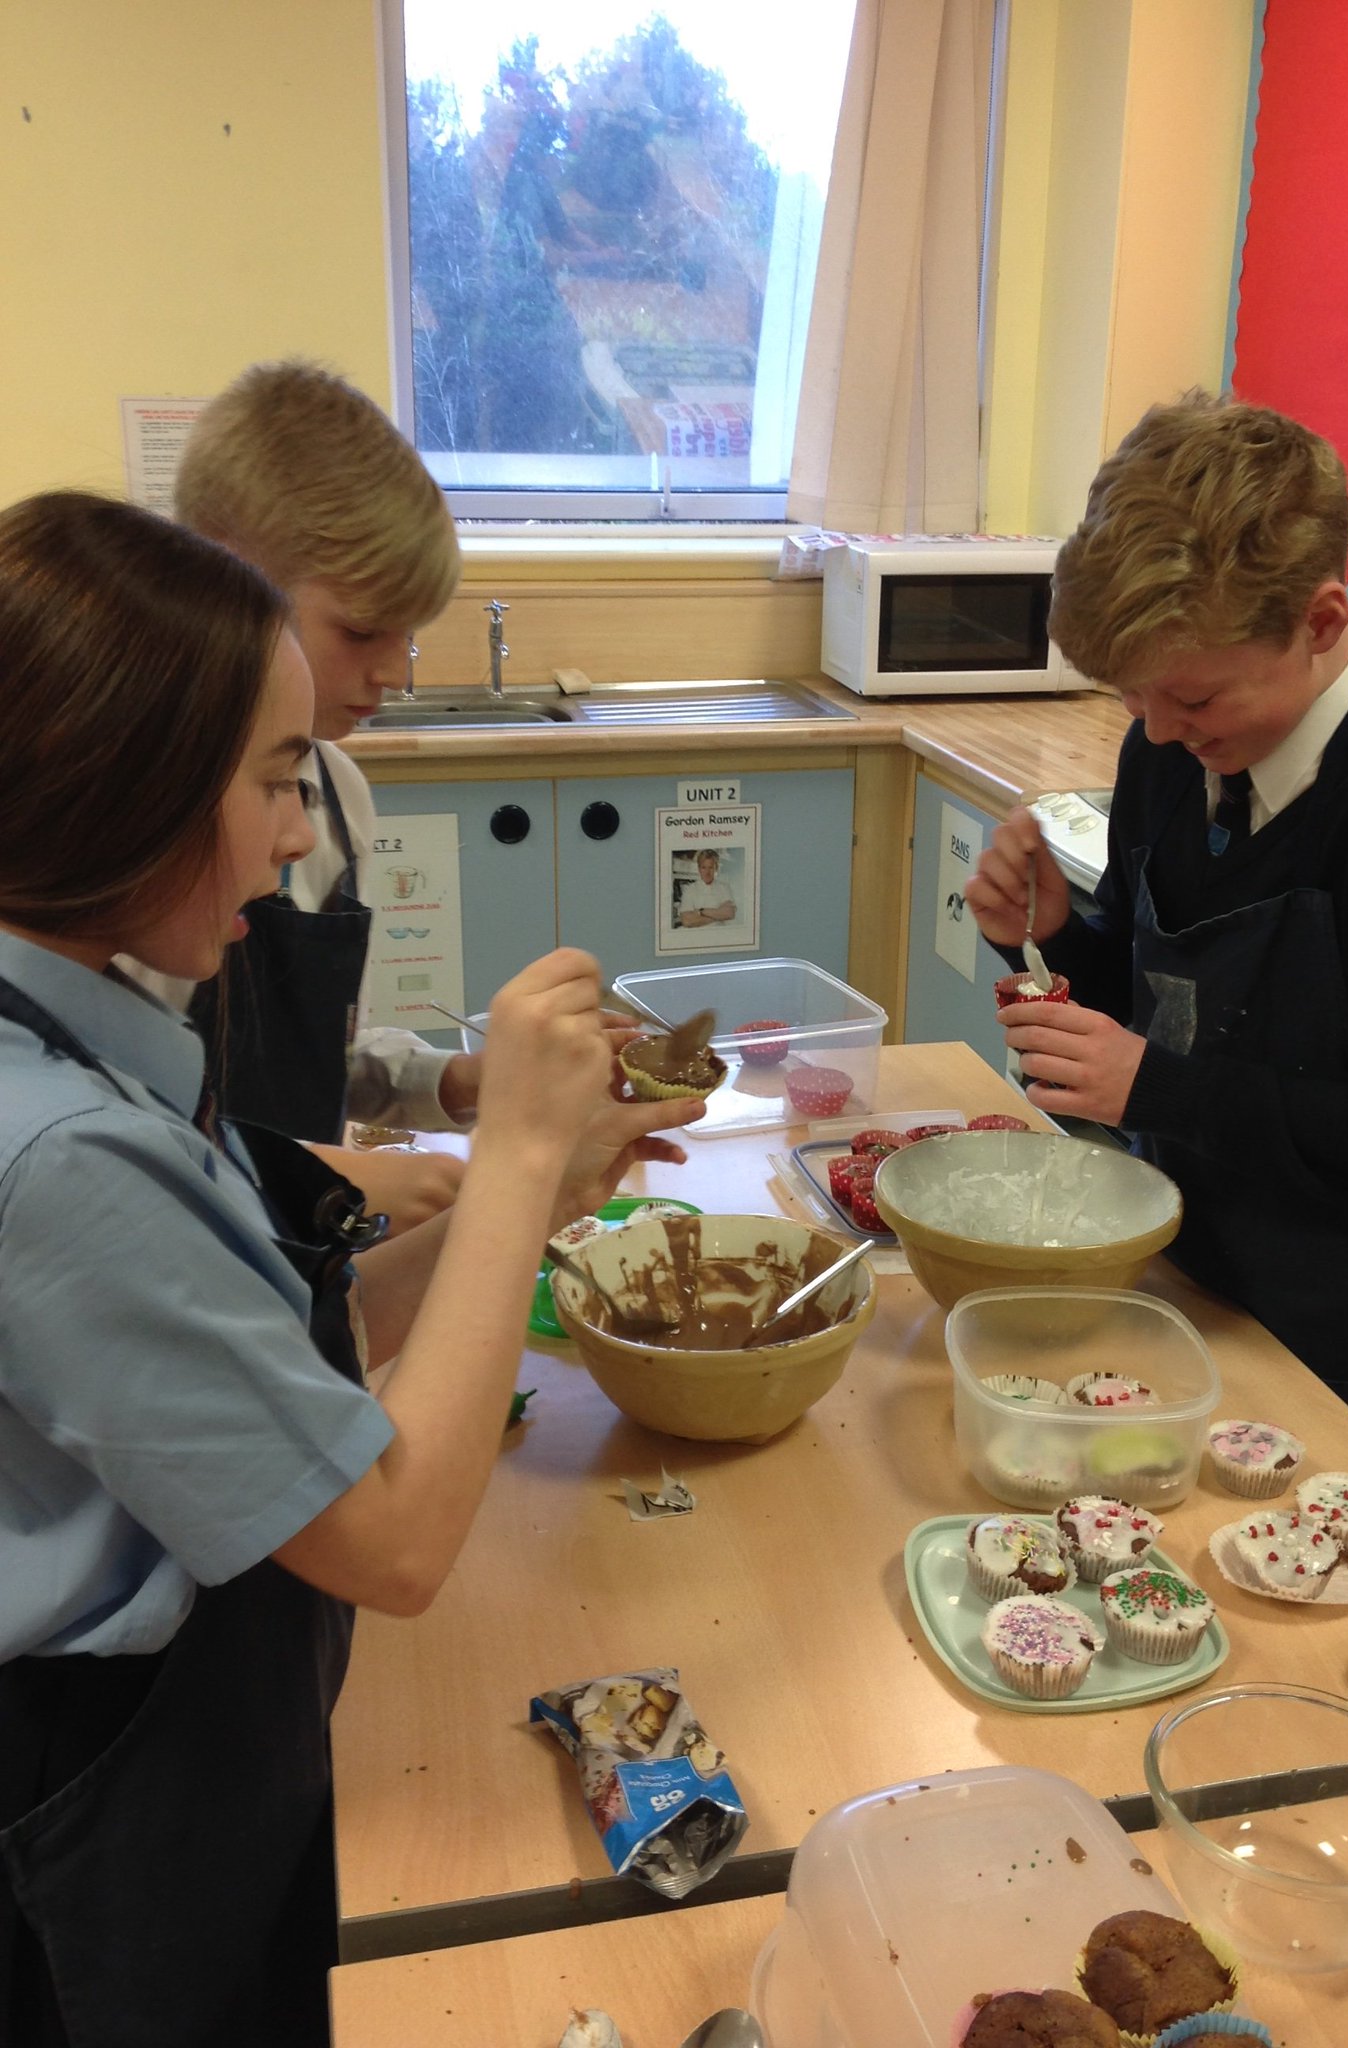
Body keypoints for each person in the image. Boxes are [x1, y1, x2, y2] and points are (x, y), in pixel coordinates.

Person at [0, 492, 701, 2045]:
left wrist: (528, 1195)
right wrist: (510, 1157)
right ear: (128, 794)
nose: (301, 832)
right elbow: (389, 1541)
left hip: (215, 1751)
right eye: (271, 781)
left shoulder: (84, 1030)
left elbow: (266, 1349)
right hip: (103, 1806)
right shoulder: (48, 1158)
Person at [965, 392, 1348, 1488]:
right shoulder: (1172, 760)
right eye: (1134, 694)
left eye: (1190, 694)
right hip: (1190, 1284)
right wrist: (1050, 944)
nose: (1157, 727)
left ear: (1321, 623)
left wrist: (1160, 1091)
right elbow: (1154, 1000)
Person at [131, 360, 470, 1232]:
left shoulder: (338, 796)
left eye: (408, 639)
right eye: (360, 631)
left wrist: (455, 1083)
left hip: (300, 1256)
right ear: (228, 578)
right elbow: (114, 1130)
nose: (393, 673)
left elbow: (315, 1057)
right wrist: (315, 1172)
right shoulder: (134, 831)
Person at [676, 847, 737, 927]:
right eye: (703, 868)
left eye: (710, 867)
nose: (707, 872)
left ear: (716, 868)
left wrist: (701, 912)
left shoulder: (724, 887)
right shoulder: (689, 890)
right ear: (699, 869)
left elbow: (730, 913)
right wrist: (719, 914)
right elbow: (687, 921)